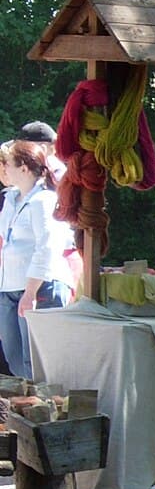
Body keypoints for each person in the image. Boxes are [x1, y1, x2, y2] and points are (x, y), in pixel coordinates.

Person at [0, 142, 76, 379]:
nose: (4, 170)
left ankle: (45, 407)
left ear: (23, 169)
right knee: (14, 357)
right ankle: (30, 404)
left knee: (38, 362)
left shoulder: (44, 201)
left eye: (8, 165)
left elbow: (47, 249)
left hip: (40, 287)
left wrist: (30, 293)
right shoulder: (12, 199)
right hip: (10, 287)